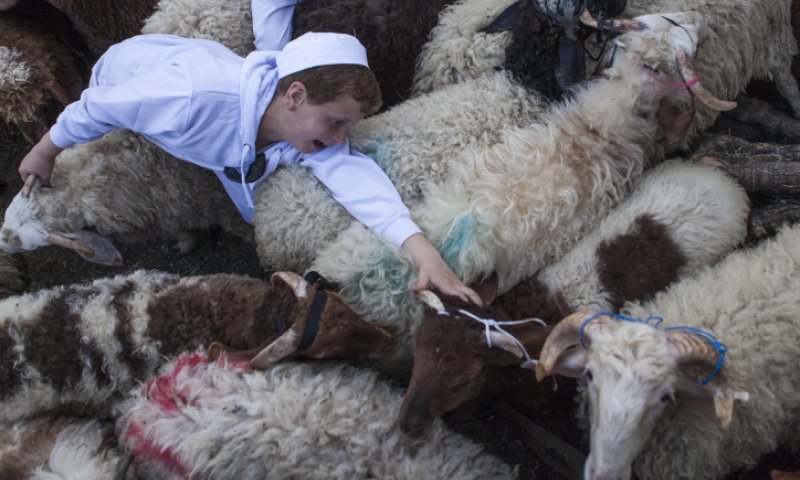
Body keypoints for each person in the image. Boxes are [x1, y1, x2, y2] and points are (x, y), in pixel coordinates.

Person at [17, 3, 482, 305]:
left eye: (349, 126)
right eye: (336, 122)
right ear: (295, 95)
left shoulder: (306, 130)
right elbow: (99, 107)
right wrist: (45, 151)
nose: (341, 138)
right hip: (129, 73)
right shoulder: (189, 98)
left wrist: (424, 254)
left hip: (229, 123)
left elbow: (361, 184)